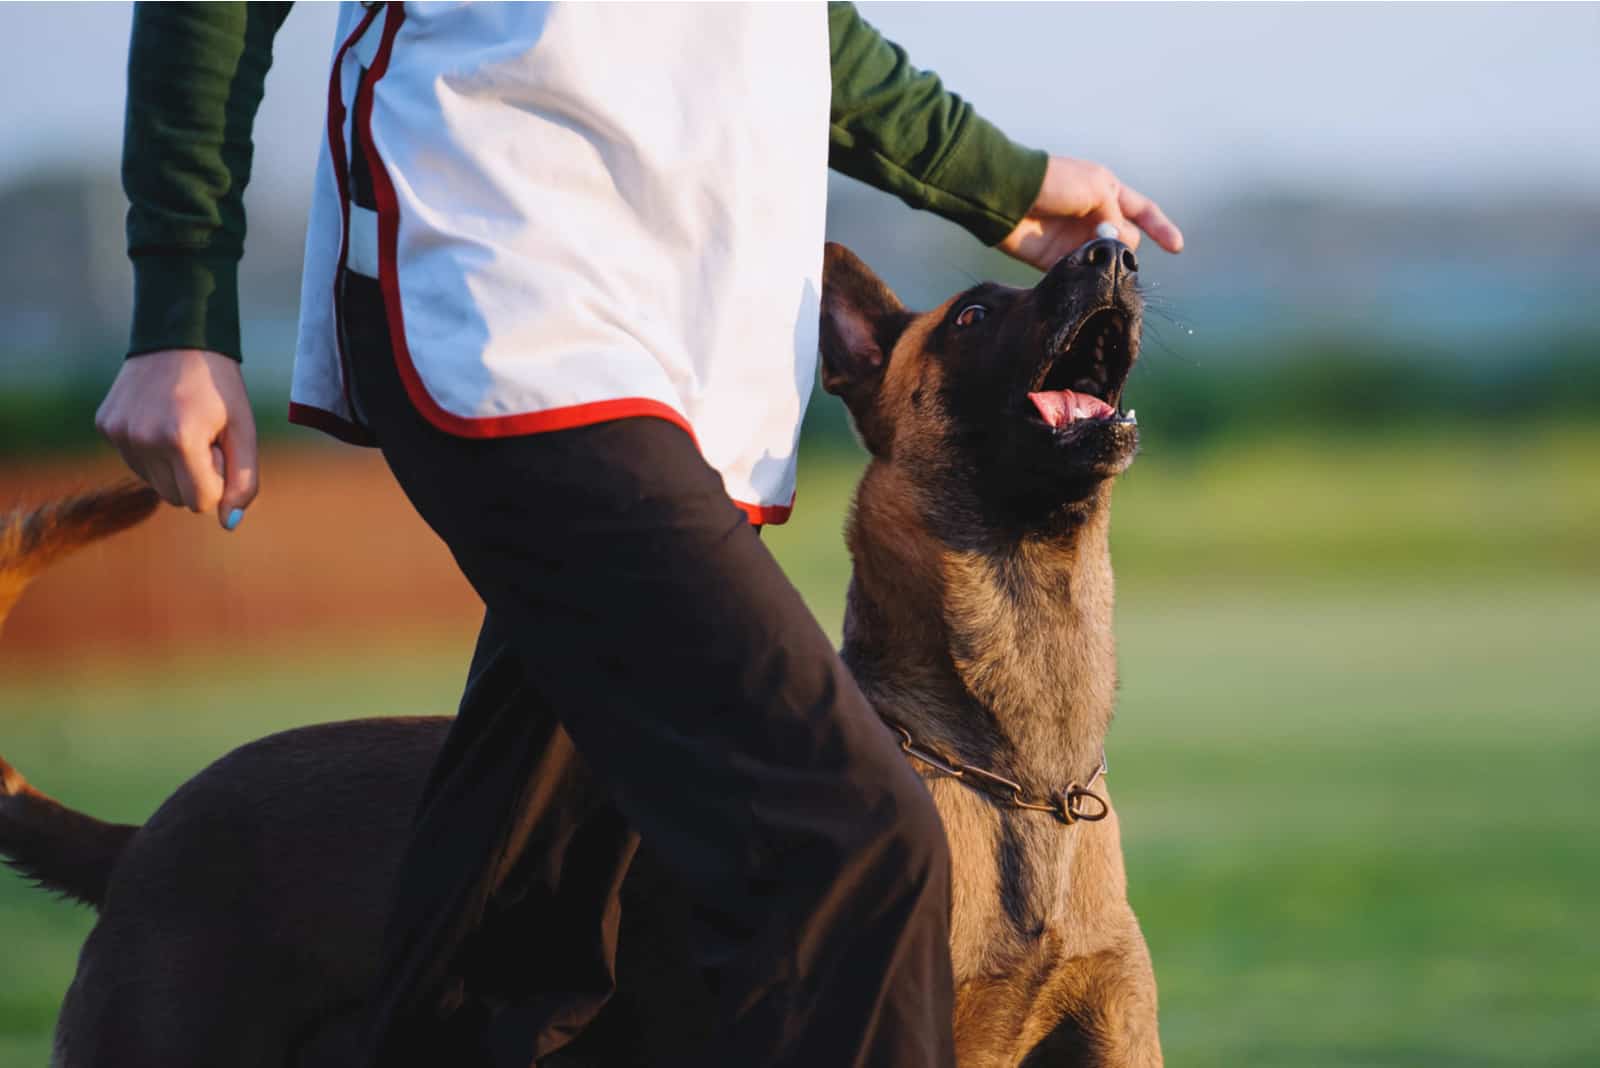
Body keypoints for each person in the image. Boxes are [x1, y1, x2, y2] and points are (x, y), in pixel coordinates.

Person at [97, 3, 1182, 1065]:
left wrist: (1005, 181)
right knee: (851, 840)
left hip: (684, 367)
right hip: (509, 304)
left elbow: (791, 26)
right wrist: (179, 311)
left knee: (518, 931)